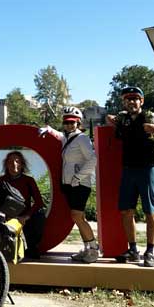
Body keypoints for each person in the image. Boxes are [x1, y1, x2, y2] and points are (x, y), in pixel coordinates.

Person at [105, 86, 154, 267]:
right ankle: (133, 250)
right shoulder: (122, 118)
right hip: (128, 169)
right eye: (128, 99)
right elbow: (112, 121)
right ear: (124, 102)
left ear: (142, 101)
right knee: (126, 211)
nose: (131, 102)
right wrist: (110, 119)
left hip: (148, 169)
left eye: (135, 98)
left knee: (150, 211)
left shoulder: (152, 117)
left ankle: (150, 252)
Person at [38, 107, 98, 263]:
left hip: (80, 184)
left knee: (77, 216)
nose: (69, 125)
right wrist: (48, 129)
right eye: (66, 122)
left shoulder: (82, 139)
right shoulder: (68, 138)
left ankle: (93, 249)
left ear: (78, 123)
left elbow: (93, 159)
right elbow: (59, 136)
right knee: (78, 217)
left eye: (72, 122)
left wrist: (79, 177)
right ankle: (87, 249)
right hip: (69, 184)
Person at [0, 151, 46, 259]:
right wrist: (6, 216)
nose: (14, 164)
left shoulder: (29, 180)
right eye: (10, 161)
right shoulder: (0, 181)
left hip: (24, 218)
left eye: (17, 161)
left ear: (22, 164)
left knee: (40, 215)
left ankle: (31, 248)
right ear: (6, 165)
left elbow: (39, 202)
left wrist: (26, 216)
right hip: (6, 218)